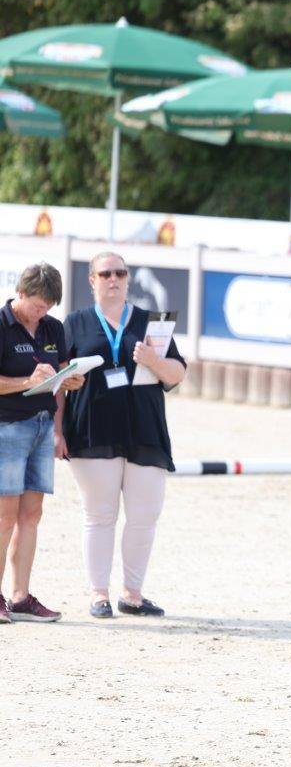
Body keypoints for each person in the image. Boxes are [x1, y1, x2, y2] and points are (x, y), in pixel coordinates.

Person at [63, 252, 187, 619]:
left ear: (128, 278)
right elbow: (57, 382)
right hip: (92, 430)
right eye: (105, 274)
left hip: (144, 429)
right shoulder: (75, 323)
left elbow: (177, 374)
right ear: (92, 281)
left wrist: (153, 360)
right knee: (99, 515)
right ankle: (98, 593)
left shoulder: (151, 323)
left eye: (120, 273)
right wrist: (56, 431)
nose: (113, 279)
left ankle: (132, 594)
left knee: (144, 516)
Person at [0, 264, 84, 623]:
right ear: (20, 292)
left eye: (48, 306)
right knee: (4, 516)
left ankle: (20, 596)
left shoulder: (53, 327)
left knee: (31, 515)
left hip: (42, 426)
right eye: (37, 304)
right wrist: (26, 381)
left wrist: (69, 382)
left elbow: (59, 375)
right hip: (7, 427)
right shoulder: (1, 325)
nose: (42, 311)